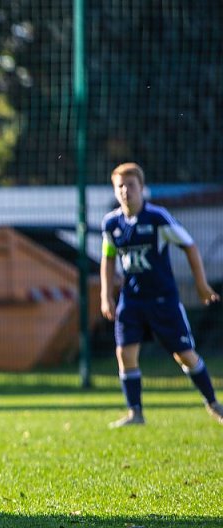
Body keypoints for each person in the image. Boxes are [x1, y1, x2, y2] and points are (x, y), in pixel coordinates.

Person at [99, 162, 223, 428]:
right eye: (120, 186)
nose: (125, 191)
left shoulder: (157, 218)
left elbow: (189, 246)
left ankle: (213, 403)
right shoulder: (111, 223)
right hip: (131, 301)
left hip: (162, 300)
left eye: (131, 185)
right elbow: (108, 258)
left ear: (142, 188)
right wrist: (105, 295)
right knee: (125, 354)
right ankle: (135, 413)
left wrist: (201, 285)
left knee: (184, 355)